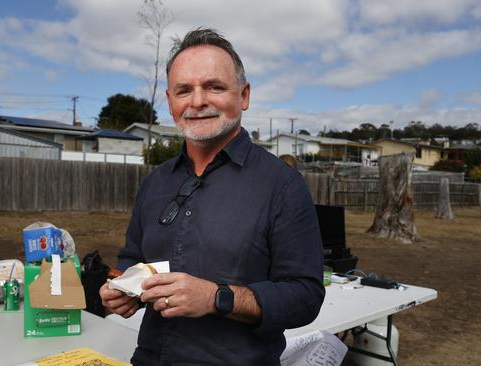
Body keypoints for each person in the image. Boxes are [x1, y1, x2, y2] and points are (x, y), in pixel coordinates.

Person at [99, 28, 325, 365]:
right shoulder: (155, 183)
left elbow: (306, 297)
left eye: (214, 87)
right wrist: (121, 290)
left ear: (244, 95)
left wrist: (216, 298)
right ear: (170, 101)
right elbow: (132, 259)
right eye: (184, 90)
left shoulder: (282, 186)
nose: (198, 101)